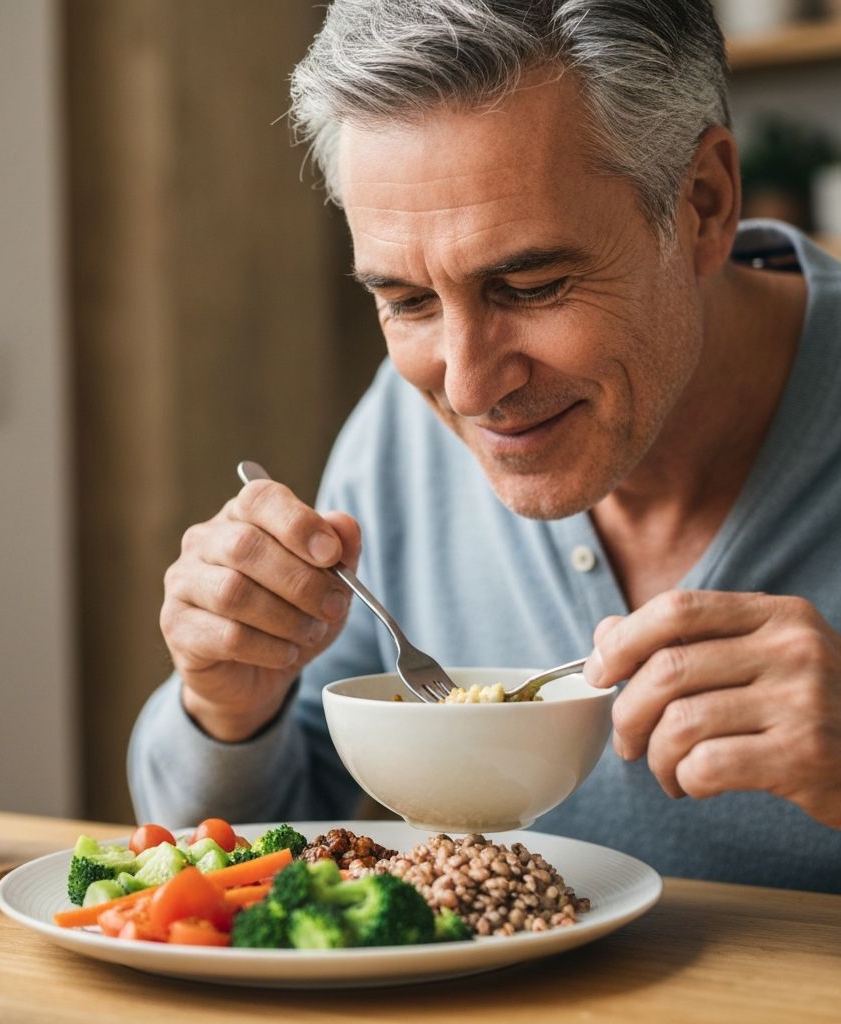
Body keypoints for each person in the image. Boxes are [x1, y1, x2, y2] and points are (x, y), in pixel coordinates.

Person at [130, 0, 841, 892]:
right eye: (407, 302)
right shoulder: (400, 431)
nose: (467, 391)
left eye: (531, 285)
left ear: (703, 204)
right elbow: (262, 848)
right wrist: (228, 710)